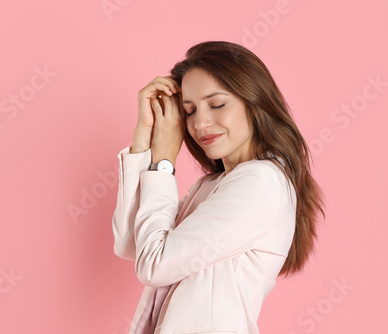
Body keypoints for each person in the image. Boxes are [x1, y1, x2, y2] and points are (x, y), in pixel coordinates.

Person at [111, 41, 326, 334]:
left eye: (217, 104)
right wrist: (143, 140)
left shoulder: (260, 182)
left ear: (254, 102)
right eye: (189, 110)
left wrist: (163, 162)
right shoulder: (214, 184)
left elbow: (154, 265)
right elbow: (132, 243)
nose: (200, 122)